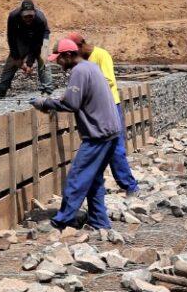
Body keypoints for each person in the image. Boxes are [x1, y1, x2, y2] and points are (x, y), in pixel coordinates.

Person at [30, 38, 123, 231]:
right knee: (94, 178)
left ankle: (62, 220)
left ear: (68, 55)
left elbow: (72, 104)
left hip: (98, 134)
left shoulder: (79, 71)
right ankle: (100, 222)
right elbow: (77, 97)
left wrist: (44, 103)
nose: (58, 63)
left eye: (59, 59)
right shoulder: (90, 67)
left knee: (77, 176)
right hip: (111, 130)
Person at [68, 31, 139, 195]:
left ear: (81, 45)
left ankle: (130, 186)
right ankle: (96, 187)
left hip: (109, 106)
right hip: (93, 109)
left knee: (115, 148)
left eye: (75, 51)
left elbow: (108, 80)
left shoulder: (101, 55)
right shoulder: (81, 61)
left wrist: (84, 91)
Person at [0, 0, 52, 97]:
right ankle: (0, 91)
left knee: (43, 59)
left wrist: (29, 63)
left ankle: (47, 91)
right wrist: (17, 58)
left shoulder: (40, 19)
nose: (28, 18)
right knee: (12, 61)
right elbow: (11, 38)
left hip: (40, 36)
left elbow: (36, 44)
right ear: (21, 13)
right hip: (21, 35)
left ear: (34, 13)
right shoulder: (13, 16)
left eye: (31, 16)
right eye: (26, 16)